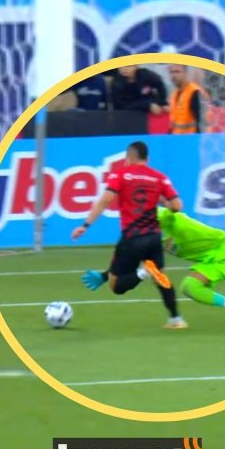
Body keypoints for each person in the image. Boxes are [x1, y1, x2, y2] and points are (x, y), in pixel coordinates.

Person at [72, 141, 187, 330]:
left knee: (116, 286)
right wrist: (162, 201)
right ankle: (176, 319)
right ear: (147, 158)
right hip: (153, 237)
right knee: (161, 277)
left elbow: (105, 200)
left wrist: (85, 225)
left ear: (128, 158)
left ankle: (144, 272)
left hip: (132, 238)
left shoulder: (120, 174)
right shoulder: (159, 177)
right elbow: (177, 206)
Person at [165, 65, 206, 134]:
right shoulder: (174, 95)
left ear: (185, 73)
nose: (174, 75)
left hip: (190, 138)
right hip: (177, 138)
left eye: (177, 72)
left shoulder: (194, 92)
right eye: (171, 72)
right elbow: (174, 124)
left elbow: (201, 122)